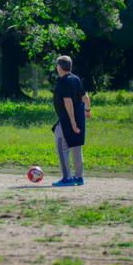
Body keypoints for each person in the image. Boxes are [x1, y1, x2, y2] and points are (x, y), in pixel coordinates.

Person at [51, 55, 91, 186]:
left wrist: (73, 123)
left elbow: (68, 102)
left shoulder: (63, 82)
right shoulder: (76, 79)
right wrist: (87, 110)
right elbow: (85, 97)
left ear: (59, 67)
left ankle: (67, 178)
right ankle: (78, 177)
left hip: (68, 120)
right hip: (80, 116)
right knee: (76, 147)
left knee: (61, 146)